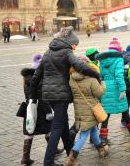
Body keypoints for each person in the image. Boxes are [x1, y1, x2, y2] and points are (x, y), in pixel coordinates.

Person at [29, 26, 101, 166]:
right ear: (68, 42)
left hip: (48, 96)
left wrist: (33, 97)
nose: (75, 48)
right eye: (74, 44)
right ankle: (48, 162)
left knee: (63, 123)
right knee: (57, 127)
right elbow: (80, 66)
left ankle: (69, 153)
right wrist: (96, 74)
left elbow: (36, 76)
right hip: (61, 96)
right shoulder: (67, 52)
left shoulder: (48, 52)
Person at [19, 54, 63, 165]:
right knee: (48, 129)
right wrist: (48, 111)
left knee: (29, 131)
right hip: (40, 109)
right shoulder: (39, 79)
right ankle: (53, 150)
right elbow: (41, 98)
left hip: (29, 108)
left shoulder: (26, 78)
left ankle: (25, 157)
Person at [96, 37, 130, 144]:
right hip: (116, 87)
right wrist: (123, 90)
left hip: (105, 87)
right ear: (119, 49)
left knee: (106, 111)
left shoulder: (102, 60)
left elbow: (100, 76)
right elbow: (119, 76)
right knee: (124, 109)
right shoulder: (119, 59)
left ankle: (103, 136)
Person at [66, 57, 108, 165]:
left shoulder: (71, 78)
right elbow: (99, 93)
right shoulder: (91, 79)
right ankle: (71, 158)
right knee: (84, 133)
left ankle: (101, 150)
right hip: (91, 109)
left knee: (93, 128)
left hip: (79, 109)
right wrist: (103, 84)